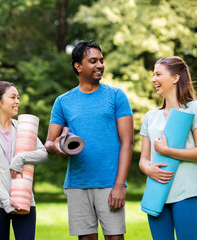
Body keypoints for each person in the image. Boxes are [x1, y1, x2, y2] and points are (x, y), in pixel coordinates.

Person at [45, 40, 134, 240]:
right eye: (93, 61)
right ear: (78, 66)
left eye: (101, 60)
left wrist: (119, 185)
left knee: (115, 238)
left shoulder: (116, 96)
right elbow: (48, 143)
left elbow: (127, 143)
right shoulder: (63, 101)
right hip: (77, 183)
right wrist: (57, 147)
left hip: (110, 183)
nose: (100, 65)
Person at [138, 56, 197, 240]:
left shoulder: (194, 108)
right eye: (153, 74)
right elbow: (144, 158)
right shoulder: (150, 117)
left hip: (186, 192)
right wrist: (148, 169)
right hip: (157, 193)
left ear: (175, 78)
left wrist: (167, 151)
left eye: (158, 74)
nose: (153, 79)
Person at [0, 81, 48, 240]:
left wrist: (21, 158)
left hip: (24, 198)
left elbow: (43, 153)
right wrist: (6, 201)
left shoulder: (23, 127)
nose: (18, 102)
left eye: (18, 98)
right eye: (13, 97)